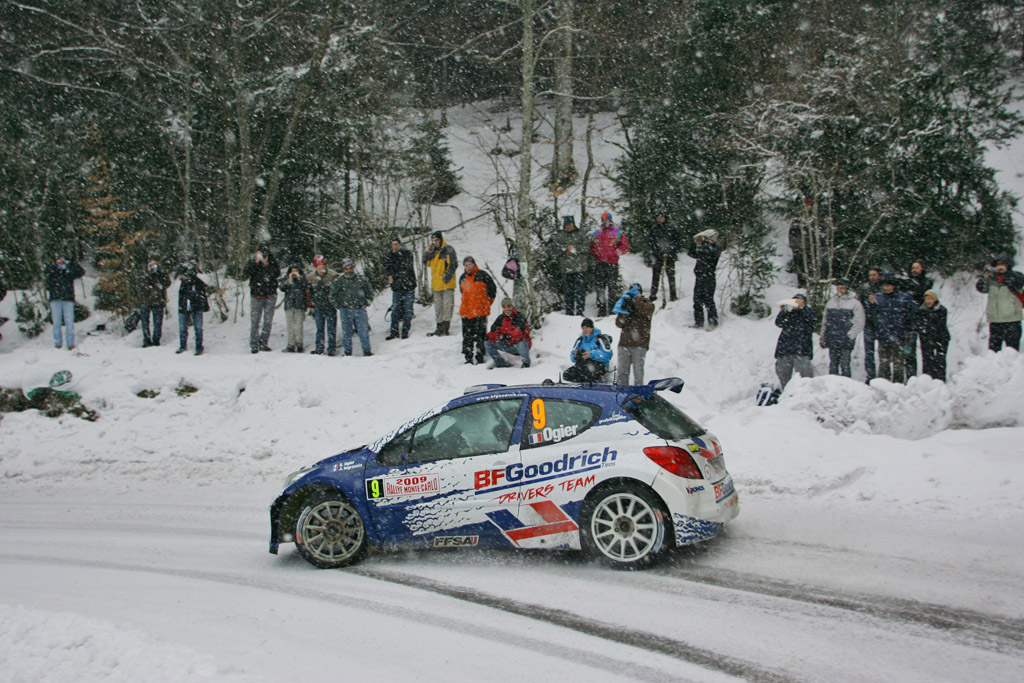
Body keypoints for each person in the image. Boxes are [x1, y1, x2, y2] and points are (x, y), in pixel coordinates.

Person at [869, 274, 917, 383]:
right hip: (883, 335)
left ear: (894, 286)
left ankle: (898, 385)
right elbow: (871, 314)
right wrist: (871, 304)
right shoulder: (878, 297)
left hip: (899, 336)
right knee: (883, 363)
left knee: (898, 363)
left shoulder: (904, 298)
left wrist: (909, 330)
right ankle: (882, 384)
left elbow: (912, 315)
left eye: (888, 285)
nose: (885, 288)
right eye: (884, 285)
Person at [976, 253, 1024, 352]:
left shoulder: (1015, 276)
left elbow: (1019, 281)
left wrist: (1003, 276)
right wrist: (987, 276)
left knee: (1012, 353)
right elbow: (980, 288)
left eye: (1003, 264)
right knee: (993, 353)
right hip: (995, 322)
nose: (1000, 267)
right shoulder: (992, 280)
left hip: (1012, 321)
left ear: (1008, 265)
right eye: (998, 264)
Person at [819, 278, 865, 377]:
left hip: (846, 339)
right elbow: (825, 321)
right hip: (832, 338)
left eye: (842, 288)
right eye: (838, 288)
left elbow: (860, 322)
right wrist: (822, 336)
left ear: (847, 289)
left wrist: (851, 335)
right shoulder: (830, 302)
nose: (840, 290)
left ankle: (846, 386)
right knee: (833, 365)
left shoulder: (855, 303)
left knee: (845, 365)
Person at [774, 293, 819, 390]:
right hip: (785, 349)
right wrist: (784, 311)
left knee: (805, 378)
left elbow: (813, 324)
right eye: (795, 301)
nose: (797, 303)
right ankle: (785, 393)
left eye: (800, 301)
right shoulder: (788, 312)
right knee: (783, 375)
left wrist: (803, 310)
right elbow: (779, 323)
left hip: (802, 350)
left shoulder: (809, 312)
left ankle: (805, 394)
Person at [330, 258, 373, 357]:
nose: (349, 270)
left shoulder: (361, 279)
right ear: (343, 270)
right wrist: (338, 305)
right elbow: (332, 295)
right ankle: (347, 352)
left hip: (360, 309)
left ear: (353, 268)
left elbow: (370, 291)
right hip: (345, 310)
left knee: (363, 332)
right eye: (346, 268)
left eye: (351, 268)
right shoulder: (338, 281)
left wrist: (367, 302)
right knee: (347, 333)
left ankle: (367, 351)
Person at [589, 211, 630, 317]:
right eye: (603, 220)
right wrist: (596, 253)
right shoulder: (597, 233)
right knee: (600, 287)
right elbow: (591, 247)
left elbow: (625, 247)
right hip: (600, 263)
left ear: (611, 220)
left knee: (612, 287)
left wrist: (616, 252)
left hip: (612, 263)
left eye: (607, 220)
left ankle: (612, 309)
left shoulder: (618, 232)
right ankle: (601, 309)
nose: (605, 222)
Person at [458, 256, 496, 365]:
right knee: (467, 336)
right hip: (466, 311)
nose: (468, 267)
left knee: (480, 335)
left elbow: (492, 291)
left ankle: (480, 356)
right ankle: (468, 357)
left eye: (470, 264)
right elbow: (463, 293)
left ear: (474, 264)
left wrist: (486, 305)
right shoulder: (462, 278)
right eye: (466, 265)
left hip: (480, 312)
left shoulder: (483, 275)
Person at [615, 283, 655, 385]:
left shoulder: (648, 304)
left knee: (638, 374)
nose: (635, 293)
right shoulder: (626, 303)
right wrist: (624, 311)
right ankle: (621, 394)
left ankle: (639, 396)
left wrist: (634, 303)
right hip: (624, 344)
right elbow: (619, 323)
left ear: (641, 293)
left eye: (637, 291)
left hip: (639, 344)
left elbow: (646, 311)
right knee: (622, 373)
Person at [243, 243, 280, 353]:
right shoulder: (253, 261)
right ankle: (254, 343)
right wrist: (254, 262)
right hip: (256, 294)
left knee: (268, 321)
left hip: (270, 294)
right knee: (255, 320)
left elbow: (276, 274)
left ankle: (264, 342)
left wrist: (267, 264)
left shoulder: (272, 261)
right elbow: (246, 273)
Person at [44, 253, 85, 350]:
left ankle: (70, 344)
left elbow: (81, 272)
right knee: (56, 322)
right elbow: (46, 272)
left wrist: (72, 263)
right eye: (58, 260)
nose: (60, 262)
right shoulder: (52, 270)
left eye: (62, 259)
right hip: (55, 299)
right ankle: (58, 343)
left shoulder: (69, 271)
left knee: (69, 322)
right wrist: (56, 266)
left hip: (68, 299)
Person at [551, 215, 590, 315]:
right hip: (566, 268)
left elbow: (586, 247)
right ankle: (569, 312)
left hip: (580, 268)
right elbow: (554, 249)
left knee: (580, 292)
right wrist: (566, 249)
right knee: (568, 292)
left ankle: (580, 311)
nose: (568, 226)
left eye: (570, 224)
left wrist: (574, 248)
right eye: (566, 225)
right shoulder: (560, 236)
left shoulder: (581, 234)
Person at [901, 259, 934, 377]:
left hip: (925, 320)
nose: (915, 270)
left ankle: (928, 376)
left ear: (922, 269)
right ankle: (911, 377)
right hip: (909, 321)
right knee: (909, 352)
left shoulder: (927, 282)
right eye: (913, 268)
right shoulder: (906, 283)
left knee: (927, 350)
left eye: (917, 268)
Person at [423, 231, 457, 336]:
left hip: (447, 284)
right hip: (436, 285)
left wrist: (445, 278)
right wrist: (428, 253)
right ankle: (439, 327)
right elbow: (426, 263)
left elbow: (453, 265)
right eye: (433, 240)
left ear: (441, 239)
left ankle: (445, 328)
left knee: (447, 307)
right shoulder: (433, 251)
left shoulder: (448, 250)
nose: (435, 242)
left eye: (437, 240)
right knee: (438, 308)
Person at [688, 229, 722, 329]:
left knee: (708, 300)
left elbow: (710, 253)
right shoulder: (703, 249)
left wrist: (705, 242)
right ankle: (698, 322)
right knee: (697, 300)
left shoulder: (715, 249)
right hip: (699, 277)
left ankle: (713, 322)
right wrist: (695, 243)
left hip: (709, 277)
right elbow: (692, 253)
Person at [383, 236, 416, 340]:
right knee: (395, 309)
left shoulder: (407, 254)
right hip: (397, 286)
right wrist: (390, 275)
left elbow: (407, 268)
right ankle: (394, 331)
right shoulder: (389, 255)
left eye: (396, 244)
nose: (395, 246)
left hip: (408, 285)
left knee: (408, 309)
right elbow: (386, 268)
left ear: (399, 244)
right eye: (393, 244)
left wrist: (396, 274)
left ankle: (405, 330)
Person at [647, 209, 683, 301]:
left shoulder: (671, 228)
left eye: (661, 217)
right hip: (658, 256)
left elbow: (678, 241)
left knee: (671, 276)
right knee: (655, 276)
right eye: (658, 217)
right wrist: (656, 252)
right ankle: (653, 294)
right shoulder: (654, 229)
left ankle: (673, 295)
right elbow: (651, 242)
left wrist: (672, 251)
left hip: (669, 256)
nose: (659, 219)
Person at [914, 290, 950, 381]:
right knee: (927, 360)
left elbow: (939, 325)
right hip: (926, 337)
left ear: (935, 299)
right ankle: (927, 380)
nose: (928, 301)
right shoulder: (921, 310)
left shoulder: (941, 310)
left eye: (930, 299)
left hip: (941, 337)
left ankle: (940, 380)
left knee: (940, 360)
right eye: (926, 299)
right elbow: (919, 324)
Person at [485, 298, 532, 368]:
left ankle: (526, 363)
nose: (507, 309)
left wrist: (509, 336)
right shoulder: (500, 319)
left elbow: (521, 333)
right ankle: (501, 363)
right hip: (507, 345)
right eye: (504, 307)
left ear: (512, 306)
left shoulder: (519, 316)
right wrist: (488, 337)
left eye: (509, 306)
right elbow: (494, 333)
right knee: (487, 343)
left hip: (519, 346)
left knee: (522, 343)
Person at [175, 258, 208, 355]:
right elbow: (178, 278)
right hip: (184, 303)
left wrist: (195, 275)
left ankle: (199, 347)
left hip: (196, 303)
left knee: (198, 327)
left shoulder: (200, 275)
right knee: (182, 327)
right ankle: (182, 345)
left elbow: (205, 283)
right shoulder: (184, 274)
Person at [307, 255, 339, 355]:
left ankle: (331, 348)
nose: (321, 270)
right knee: (319, 328)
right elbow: (310, 291)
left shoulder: (333, 275)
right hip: (318, 307)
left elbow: (337, 290)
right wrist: (313, 301)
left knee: (331, 328)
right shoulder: (311, 277)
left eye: (323, 267)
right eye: (319, 268)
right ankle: (319, 347)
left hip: (330, 306)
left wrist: (334, 301)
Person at [564, 318, 613, 383]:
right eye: (583, 328)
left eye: (587, 328)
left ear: (592, 328)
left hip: (599, 366)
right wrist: (576, 355)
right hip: (582, 365)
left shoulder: (601, 338)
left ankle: (593, 386)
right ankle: (580, 389)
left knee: (588, 373)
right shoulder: (580, 340)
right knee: (567, 374)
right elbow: (572, 356)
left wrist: (591, 355)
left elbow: (608, 356)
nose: (585, 330)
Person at [857, 266, 884, 381]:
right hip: (868, 323)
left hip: (882, 324)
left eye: (874, 275)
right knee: (869, 353)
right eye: (870, 275)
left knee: (883, 352)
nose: (872, 277)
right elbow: (859, 305)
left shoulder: (884, 287)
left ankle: (883, 376)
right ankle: (870, 376)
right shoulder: (864, 288)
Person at [138, 254, 171, 348]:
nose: (153, 265)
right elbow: (141, 284)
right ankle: (146, 340)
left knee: (158, 322)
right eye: (152, 263)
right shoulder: (144, 271)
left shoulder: (161, 272)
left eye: (155, 263)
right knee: (145, 322)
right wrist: (149, 274)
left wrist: (161, 273)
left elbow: (167, 283)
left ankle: (156, 340)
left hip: (158, 300)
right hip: (146, 300)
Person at [279, 263, 309, 352]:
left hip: (300, 304)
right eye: (292, 271)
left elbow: (306, 286)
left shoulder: (303, 278)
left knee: (299, 325)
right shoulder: (286, 279)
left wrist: (299, 278)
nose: (294, 272)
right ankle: (291, 344)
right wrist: (289, 280)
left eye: (296, 270)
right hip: (289, 304)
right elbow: (282, 288)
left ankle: (299, 344)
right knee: (290, 325)